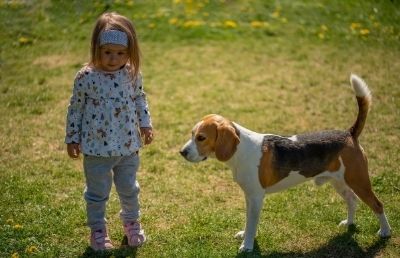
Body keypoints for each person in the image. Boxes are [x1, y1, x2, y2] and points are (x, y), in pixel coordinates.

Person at [65, 12, 153, 251]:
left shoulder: (131, 74)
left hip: (127, 147)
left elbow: (139, 99)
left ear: (129, 52)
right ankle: (98, 230)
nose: (114, 59)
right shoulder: (86, 77)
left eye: (120, 53)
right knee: (97, 193)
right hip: (96, 150)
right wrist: (72, 138)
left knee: (129, 188)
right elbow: (76, 108)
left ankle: (132, 224)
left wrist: (145, 124)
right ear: (96, 48)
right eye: (107, 52)